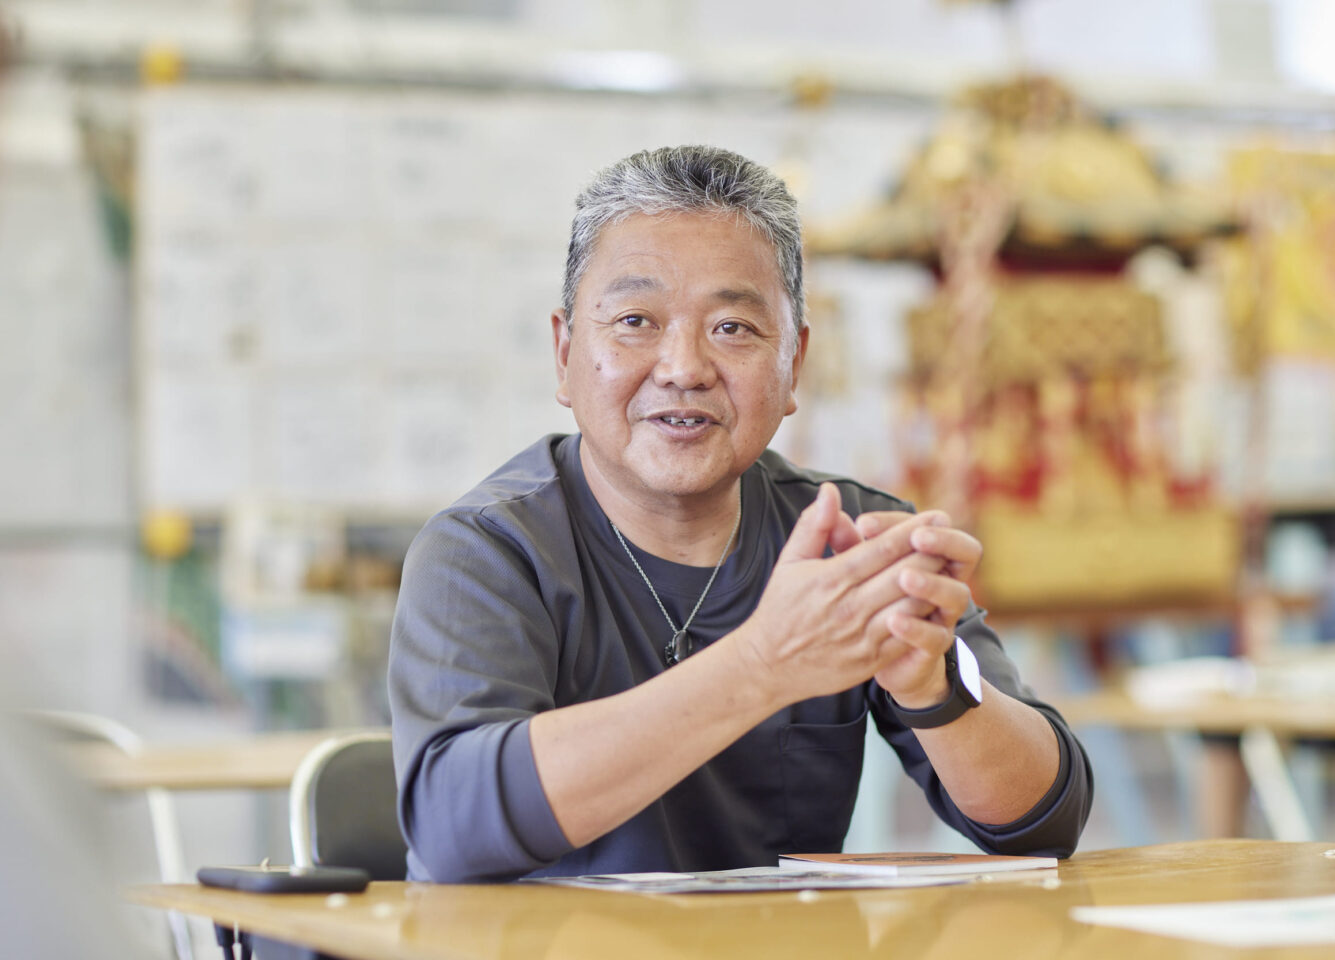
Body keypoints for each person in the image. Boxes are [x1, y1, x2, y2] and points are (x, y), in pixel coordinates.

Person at [388, 144, 1092, 883]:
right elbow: (451, 824)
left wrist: (934, 689)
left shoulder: (847, 540)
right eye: (635, 320)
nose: (684, 368)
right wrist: (764, 665)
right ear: (565, 354)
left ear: (794, 366)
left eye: (733, 328)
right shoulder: (484, 552)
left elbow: (1047, 820)